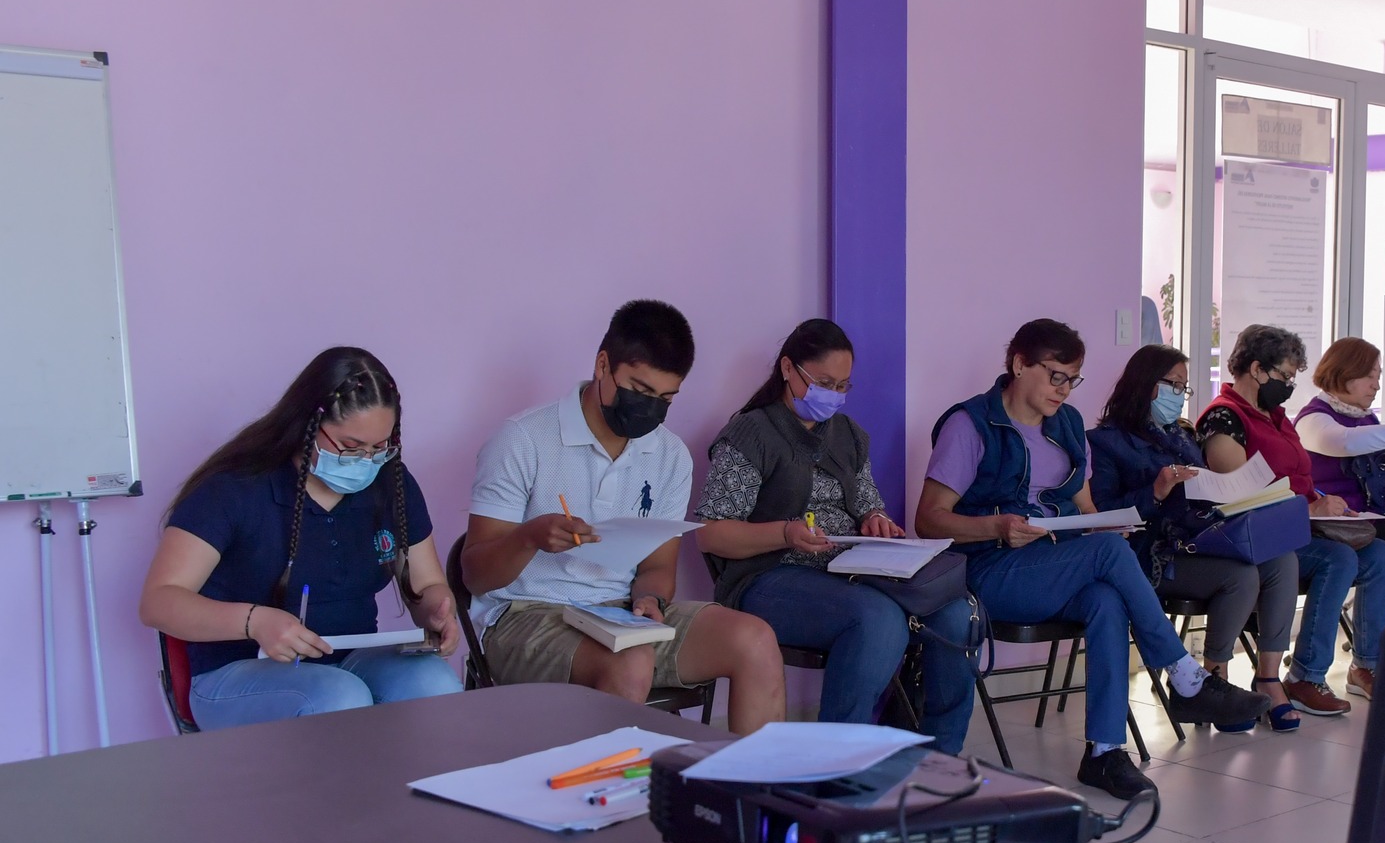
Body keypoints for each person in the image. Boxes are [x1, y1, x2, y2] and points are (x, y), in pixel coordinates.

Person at [915, 318, 1269, 799]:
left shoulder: (1067, 426)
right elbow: (930, 520)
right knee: (1106, 553)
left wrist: (1113, 522)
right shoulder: (970, 423)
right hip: (989, 568)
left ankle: (1104, 752)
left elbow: (1085, 510)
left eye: (1072, 378)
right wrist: (995, 526)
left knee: (1106, 597)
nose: (1064, 390)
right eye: (1055, 375)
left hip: (1055, 563)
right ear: (1019, 365)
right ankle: (1185, 677)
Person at [461, 299, 785, 730]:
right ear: (602, 365)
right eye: (640, 390)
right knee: (630, 662)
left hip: (621, 617)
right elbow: (475, 575)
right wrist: (529, 537)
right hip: (523, 615)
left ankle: (756, 797)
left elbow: (656, 568)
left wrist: (649, 599)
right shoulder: (522, 439)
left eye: (666, 397)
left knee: (755, 640)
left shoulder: (670, 455)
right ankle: (614, 796)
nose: (650, 408)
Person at [139, 347, 464, 728]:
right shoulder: (234, 490)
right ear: (307, 425)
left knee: (433, 681)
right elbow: (158, 602)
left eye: (379, 448)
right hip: (238, 672)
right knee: (339, 696)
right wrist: (254, 622)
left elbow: (426, 583)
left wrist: (438, 611)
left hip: (350, 660)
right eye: (350, 447)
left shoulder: (391, 481)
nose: (365, 462)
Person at [696, 319, 975, 752]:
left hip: (848, 568)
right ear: (788, 368)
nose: (835, 396)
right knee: (877, 619)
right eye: (824, 383)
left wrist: (876, 519)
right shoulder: (750, 435)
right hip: (769, 576)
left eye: (844, 386)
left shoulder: (848, 435)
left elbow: (867, 502)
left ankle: (941, 758)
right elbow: (711, 535)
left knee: (955, 613)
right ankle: (836, 765)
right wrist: (786, 534)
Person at [1088, 343, 1302, 733]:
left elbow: (1204, 491)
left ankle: (1269, 678)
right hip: (1150, 552)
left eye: (1183, 388)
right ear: (1144, 384)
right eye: (1173, 384)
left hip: (1200, 537)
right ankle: (1210, 681)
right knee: (1241, 577)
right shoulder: (1106, 441)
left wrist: (1231, 495)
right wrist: (1155, 491)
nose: (1178, 395)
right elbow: (1103, 515)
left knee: (1282, 559)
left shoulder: (1181, 436)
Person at [1197, 324, 1385, 710]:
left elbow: (1298, 476)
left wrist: (1325, 501)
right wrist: (1308, 509)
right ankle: (1306, 676)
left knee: (1380, 555)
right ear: (1256, 370)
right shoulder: (1223, 418)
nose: (1289, 385)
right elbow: (1241, 497)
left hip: (1299, 529)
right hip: (1257, 537)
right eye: (1285, 375)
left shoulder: (1276, 417)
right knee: (1339, 559)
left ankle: (1367, 666)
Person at [1294, 337, 1385, 636]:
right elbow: (1346, 442)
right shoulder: (1313, 419)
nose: (1376, 386)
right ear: (1344, 372)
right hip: (1339, 520)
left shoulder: (1366, 417)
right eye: (1370, 376)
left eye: (1378, 377)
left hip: (1376, 516)